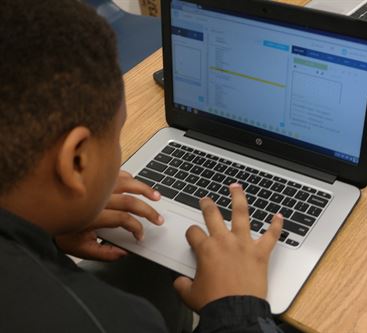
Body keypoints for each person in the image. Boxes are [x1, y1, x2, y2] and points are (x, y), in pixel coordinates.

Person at [0, 0, 286, 332]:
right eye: (118, 133)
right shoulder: (115, 322)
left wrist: (49, 224)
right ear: (76, 161)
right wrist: (237, 309)